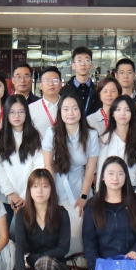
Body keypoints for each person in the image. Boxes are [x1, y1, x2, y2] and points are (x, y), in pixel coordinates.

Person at [43, 93, 100, 248]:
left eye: (75, 108)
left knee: (81, 226)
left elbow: (90, 167)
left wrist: (84, 196)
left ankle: (80, 260)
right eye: (66, 109)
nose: (70, 113)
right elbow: (48, 165)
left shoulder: (91, 135)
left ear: (81, 111)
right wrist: (51, 195)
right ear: (60, 112)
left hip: (81, 183)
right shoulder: (52, 133)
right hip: (57, 183)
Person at [81, 157, 136, 270]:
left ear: (126, 177)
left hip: (131, 263)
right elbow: (89, 240)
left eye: (120, 174)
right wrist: (96, 268)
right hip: (103, 265)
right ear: (103, 177)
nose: (115, 178)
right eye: (110, 173)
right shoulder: (92, 205)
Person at [12, 169, 71, 270]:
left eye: (45, 186)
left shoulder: (61, 213)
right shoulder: (22, 215)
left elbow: (63, 248)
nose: (40, 191)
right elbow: (19, 248)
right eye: (35, 186)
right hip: (32, 268)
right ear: (29, 190)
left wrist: (36, 258)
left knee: (45, 263)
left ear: (51, 189)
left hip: (56, 267)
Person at [0, 94, 47, 211]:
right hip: (4, 197)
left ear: (26, 113)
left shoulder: (35, 136)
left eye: (21, 112)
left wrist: (24, 195)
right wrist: (10, 193)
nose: (16, 116)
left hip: (29, 196)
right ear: (6, 114)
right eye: (12, 112)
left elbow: (39, 165)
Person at [93, 95, 136, 198]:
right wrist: (99, 193)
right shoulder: (104, 139)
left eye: (127, 110)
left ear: (132, 113)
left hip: (131, 190)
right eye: (118, 109)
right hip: (109, 190)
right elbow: (101, 167)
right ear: (113, 114)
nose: (122, 113)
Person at [28, 66, 64, 136]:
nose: (51, 84)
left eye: (55, 80)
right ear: (41, 85)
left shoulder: (69, 106)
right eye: (47, 80)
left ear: (60, 84)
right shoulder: (31, 108)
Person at [64, 46, 97, 115]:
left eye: (87, 60)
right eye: (79, 60)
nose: (83, 64)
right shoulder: (64, 91)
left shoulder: (98, 91)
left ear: (91, 65)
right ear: (73, 65)